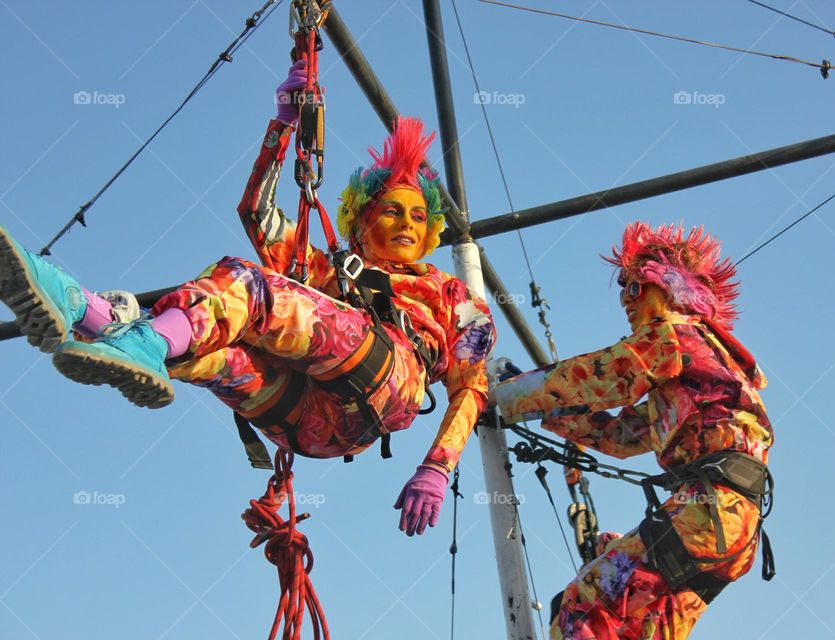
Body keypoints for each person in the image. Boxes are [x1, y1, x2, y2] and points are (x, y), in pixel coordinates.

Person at [0, 63, 495, 537]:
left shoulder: (451, 295)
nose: (407, 223)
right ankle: (87, 312)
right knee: (212, 346)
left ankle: (112, 324)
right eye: (391, 211)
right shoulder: (326, 274)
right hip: (307, 428)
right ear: (360, 220)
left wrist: (436, 466)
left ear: (431, 230)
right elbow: (257, 212)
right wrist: (283, 123)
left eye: (416, 217)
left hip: (389, 379)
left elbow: (470, 387)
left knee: (243, 285)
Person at [495, 222, 773, 639]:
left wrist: (507, 395)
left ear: (670, 285)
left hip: (708, 511)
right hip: (731, 529)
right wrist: (540, 412)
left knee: (581, 610)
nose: (626, 301)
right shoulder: (703, 375)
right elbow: (621, 437)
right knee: (639, 631)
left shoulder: (675, 337)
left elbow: (603, 376)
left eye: (634, 288)